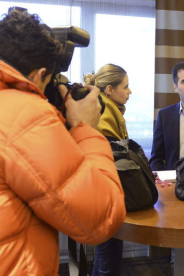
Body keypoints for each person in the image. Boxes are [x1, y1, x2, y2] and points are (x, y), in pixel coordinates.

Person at [0, 10, 126, 275]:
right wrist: (85, 129)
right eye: (50, 82)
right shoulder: (24, 114)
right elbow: (101, 218)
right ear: (39, 75)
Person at [83, 64, 131, 276]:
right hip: (104, 198)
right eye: (126, 87)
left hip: (103, 196)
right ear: (110, 90)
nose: (130, 92)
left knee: (105, 258)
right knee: (108, 262)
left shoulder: (108, 109)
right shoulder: (103, 114)